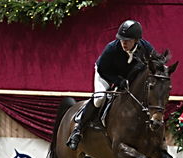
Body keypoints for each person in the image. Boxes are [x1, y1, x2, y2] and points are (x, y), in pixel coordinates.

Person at [66, 20, 155, 150]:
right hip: (106, 75)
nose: (124, 43)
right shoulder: (112, 48)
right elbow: (103, 70)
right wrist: (118, 81)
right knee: (100, 98)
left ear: (136, 40)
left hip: (127, 77)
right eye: (122, 39)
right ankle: (78, 129)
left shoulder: (146, 48)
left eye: (128, 40)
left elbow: (155, 61)